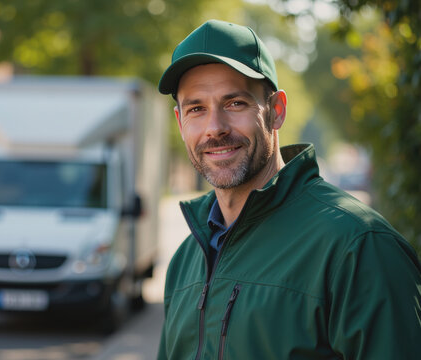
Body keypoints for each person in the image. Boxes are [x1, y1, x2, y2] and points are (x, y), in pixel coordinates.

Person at [156, 19, 421, 359]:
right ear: (180, 123)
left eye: (235, 103)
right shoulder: (185, 260)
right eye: (196, 109)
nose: (214, 128)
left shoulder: (357, 246)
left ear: (276, 111)